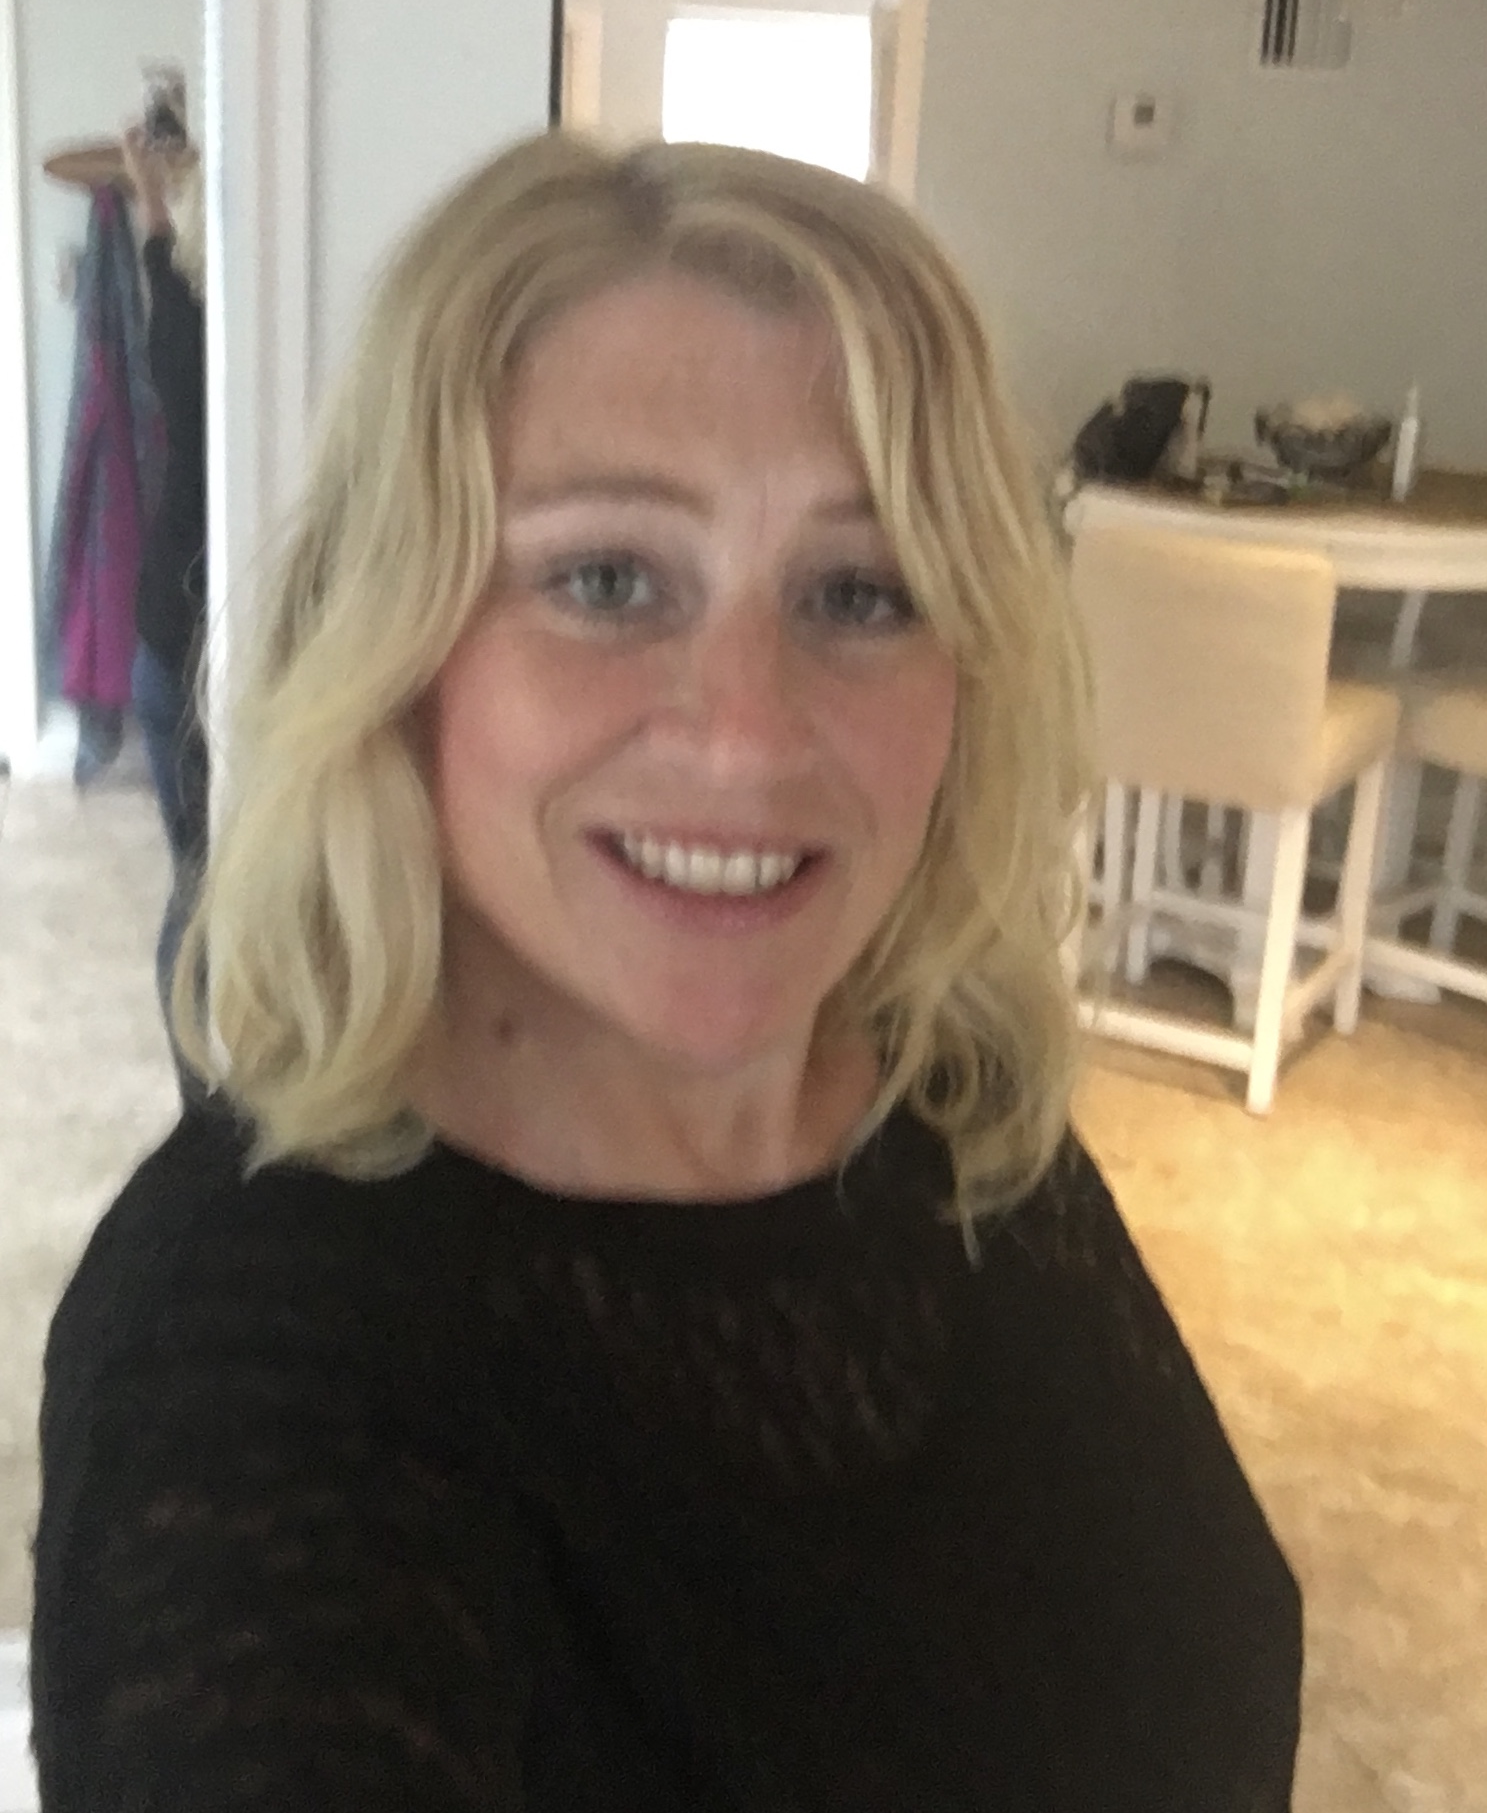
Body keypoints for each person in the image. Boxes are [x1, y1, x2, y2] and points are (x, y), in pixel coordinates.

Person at [31, 136, 1302, 1810]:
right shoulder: (252, 1369)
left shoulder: (956, 1119)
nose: (747, 734)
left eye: (859, 592)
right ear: (399, 646)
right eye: (607, 579)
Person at [121, 122, 210, 1099]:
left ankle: (203, 1099)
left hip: (164, 644)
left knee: (197, 880)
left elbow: (159, 254)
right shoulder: (220, 353)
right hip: (187, 650)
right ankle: (204, 1104)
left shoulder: (181, 329)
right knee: (205, 891)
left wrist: (149, 190)